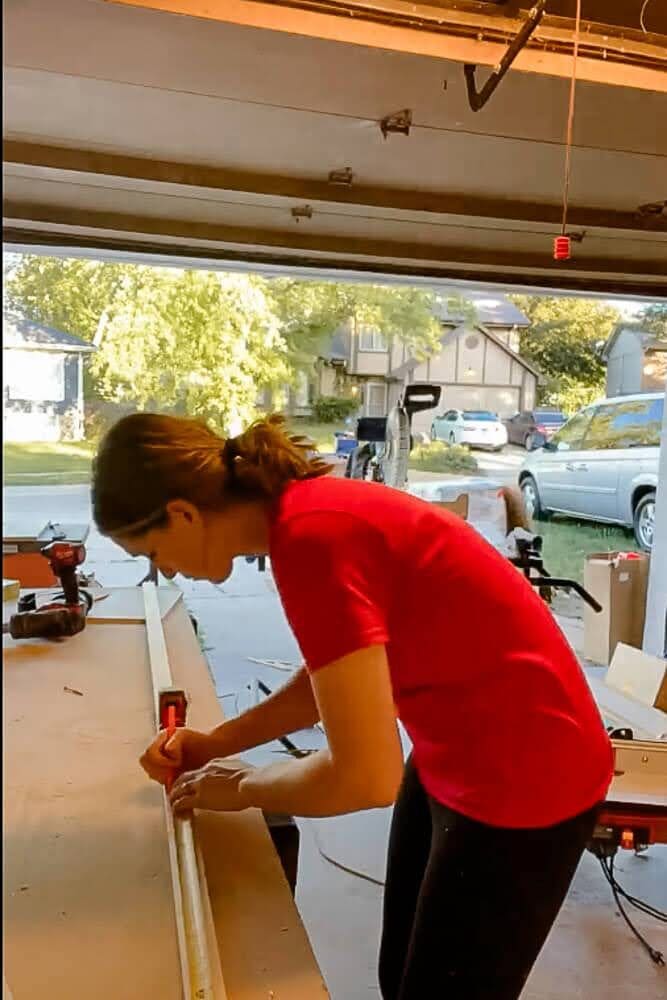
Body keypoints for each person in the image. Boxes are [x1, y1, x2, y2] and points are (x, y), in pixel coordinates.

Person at [92, 412, 613, 1000]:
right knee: (404, 977)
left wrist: (244, 788)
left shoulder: (312, 538)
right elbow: (337, 678)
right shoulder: (302, 518)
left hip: (530, 779)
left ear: (183, 513)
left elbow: (364, 779)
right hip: (456, 748)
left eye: (152, 550)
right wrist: (217, 745)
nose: (161, 568)